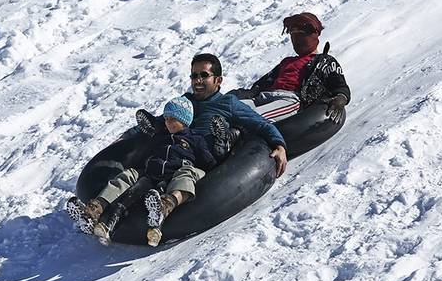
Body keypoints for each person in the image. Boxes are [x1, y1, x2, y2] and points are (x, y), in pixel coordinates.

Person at [67, 96, 218, 246]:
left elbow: (207, 160)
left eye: (173, 119)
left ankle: (167, 205)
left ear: (184, 120)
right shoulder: (160, 137)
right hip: (152, 173)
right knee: (129, 175)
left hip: (175, 173)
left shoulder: (195, 139)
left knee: (185, 175)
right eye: (166, 118)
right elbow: (145, 152)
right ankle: (95, 209)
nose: (168, 122)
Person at [230, 12, 351, 123]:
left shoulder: (323, 61)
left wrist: (340, 99)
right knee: (231, 110)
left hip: (289, 100)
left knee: (252, 116)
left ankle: (235, 135)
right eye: (292, 32)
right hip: (265, 96)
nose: (295, 37)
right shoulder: (287, 62)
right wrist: (242, 94)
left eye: (300, 32)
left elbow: (339, 85)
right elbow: (262, 83)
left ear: (312, 34)